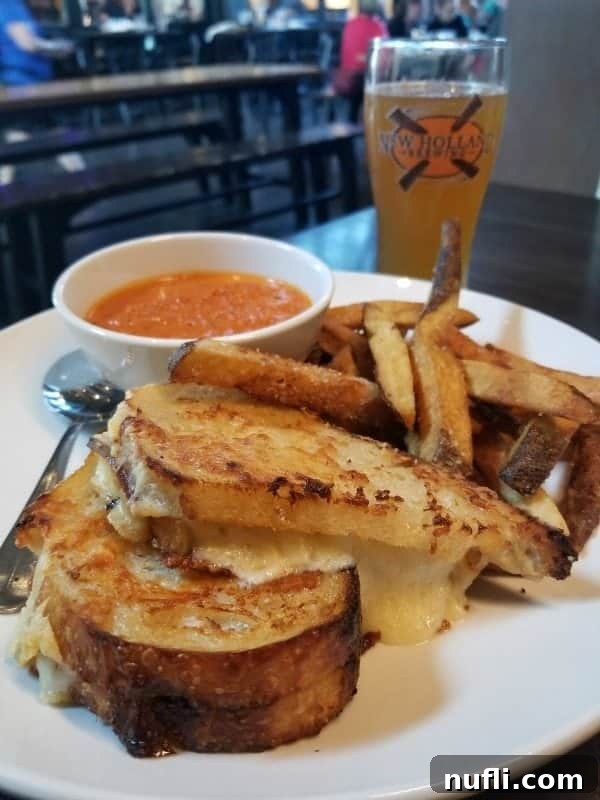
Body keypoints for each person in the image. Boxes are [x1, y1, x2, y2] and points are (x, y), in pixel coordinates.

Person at [336, 0, 388, 122]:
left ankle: (352, 121)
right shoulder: (377, 25)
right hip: (361, 79)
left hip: (345, 77)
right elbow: (384, 56)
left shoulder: (350, 24)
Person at [0, 0, 72, 86]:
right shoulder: (8, 4)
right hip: (19, 81)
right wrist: (58, 47)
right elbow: (26, 43)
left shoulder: (23, 7)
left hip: (38, 79)